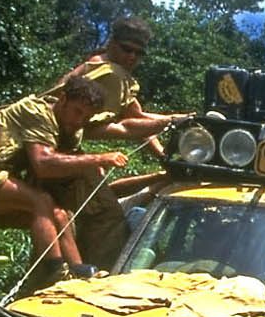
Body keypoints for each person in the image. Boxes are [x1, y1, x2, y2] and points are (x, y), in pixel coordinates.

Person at [0, 76, 132, 286]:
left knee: (60, 216)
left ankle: (79, 274)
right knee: (40, 201)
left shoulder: (67, 130)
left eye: (86, 117)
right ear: (63, 100)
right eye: (77, 112)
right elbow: (43, 164)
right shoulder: (37, 112)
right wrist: (99, 158)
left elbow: (124, 129)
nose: (79, 121)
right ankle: (56, 271)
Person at [41, 17, 181, 266]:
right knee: (107, 217)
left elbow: (137, 118)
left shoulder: (112, 71)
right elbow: (109, 127)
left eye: (139, 53)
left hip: (62, 149)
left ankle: (69, 268)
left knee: (79, 213)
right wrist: (175, 120)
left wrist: (162, 154)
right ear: (112, 43)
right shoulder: (110, 74)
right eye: (127, 49)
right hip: (52, 149)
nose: (132, 57)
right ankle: (98, 274)